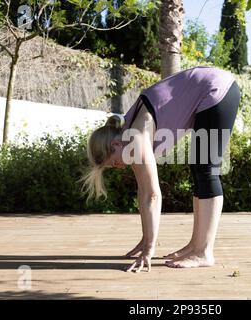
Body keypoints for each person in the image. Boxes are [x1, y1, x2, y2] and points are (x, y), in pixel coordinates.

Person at [80, 66, 241, 272]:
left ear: (115, 145)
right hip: (211, 88)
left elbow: (153, 196)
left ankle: (204, 251)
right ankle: (195, 245)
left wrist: (149, 249)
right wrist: (146, 239)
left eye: (113, 163)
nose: (118, 167)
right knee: (199, 168)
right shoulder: (129, 134)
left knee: (206, 168)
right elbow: (143, 192)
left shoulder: (136, 135)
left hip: (217, 89)